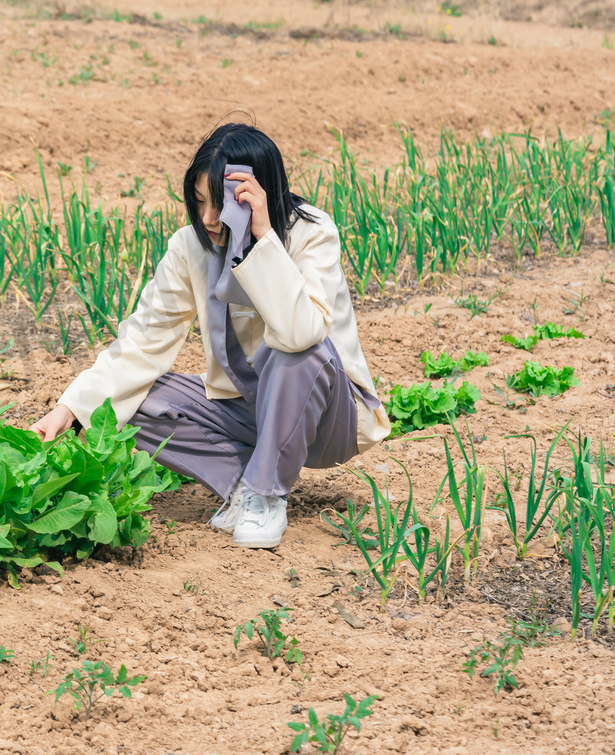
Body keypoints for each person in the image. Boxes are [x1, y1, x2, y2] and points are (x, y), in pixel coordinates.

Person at [30, 122, 390, 549]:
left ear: (257, 197)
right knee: (133, 399)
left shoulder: (312, 233)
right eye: (199, 202)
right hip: (246, 410)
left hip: (328, 419)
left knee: (298, 350)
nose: (207, 219)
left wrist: (262, 238)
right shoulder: (190, 247)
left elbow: (301, 333)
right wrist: (69, 408)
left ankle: (266, 494)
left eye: (221, 206)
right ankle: (243, 480)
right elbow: (142, 342)